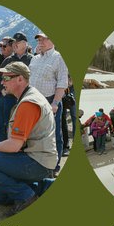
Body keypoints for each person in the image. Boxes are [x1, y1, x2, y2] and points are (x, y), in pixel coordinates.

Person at [0, 62, 57, 215]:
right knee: (1, 197)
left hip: (36, 161)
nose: (2, 82)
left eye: (6, 77)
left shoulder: (28, 103)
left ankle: (26, 196)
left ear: (20, 79)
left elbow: (14, 146)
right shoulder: (29, 97)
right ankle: (45, 187)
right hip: (37, 159)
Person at [30, 33, 69, 167]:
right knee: (36, 133)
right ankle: (39, 162)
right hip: (34, 100)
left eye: (44, 39)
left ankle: (54, 165)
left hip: (50, 100)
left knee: (53, 135)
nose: (40, 42)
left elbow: (62, 83)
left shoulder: (59, 57)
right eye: (39, 40)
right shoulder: (34, 59)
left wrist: (55, 103)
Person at [0, 37, 16, 143]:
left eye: (4, 46)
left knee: (9, 123)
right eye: (0, 46)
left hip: (12, 97)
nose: (1, 48)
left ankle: (8, 146)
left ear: (12, 46)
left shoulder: (15, 60)